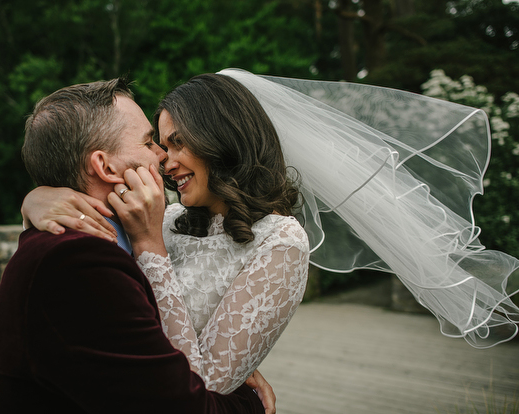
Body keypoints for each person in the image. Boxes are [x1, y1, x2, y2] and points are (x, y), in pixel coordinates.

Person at [25, 69, 519, 354]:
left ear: (220, 142)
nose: (163, 159)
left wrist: (153, 248)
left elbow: (208, 386)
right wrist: (35, 200)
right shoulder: (169, 219)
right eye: (159, 142)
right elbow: (86, 210)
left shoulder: (279, 242)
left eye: (176, 144)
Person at [0, 78, 274, 414]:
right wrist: (248, 402)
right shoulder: (78, 262)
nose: (162, 157)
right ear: (104, 166)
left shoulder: (91, 242)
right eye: (149, 143)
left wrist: (232, 363)